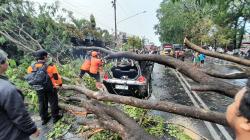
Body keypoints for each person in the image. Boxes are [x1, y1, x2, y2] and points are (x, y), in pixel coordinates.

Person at [0, 50, 39, 140]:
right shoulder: (7, 89)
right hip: (12, 135)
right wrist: (32, 129)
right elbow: (20, 115)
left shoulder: (31, 67)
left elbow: (29, 77)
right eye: (6, 60)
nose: (7, 62)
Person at [27, 49, 62, 125]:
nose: (47, 57)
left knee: (42, 103)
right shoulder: (50, 66)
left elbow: (31, 78)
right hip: (50, 87)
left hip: (38, 88)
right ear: (44, 57)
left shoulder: (31, 67)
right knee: (53, 102)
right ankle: (55, 117)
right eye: (46, 56)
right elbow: (56, 77)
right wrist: (60, 84)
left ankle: (44, 119)